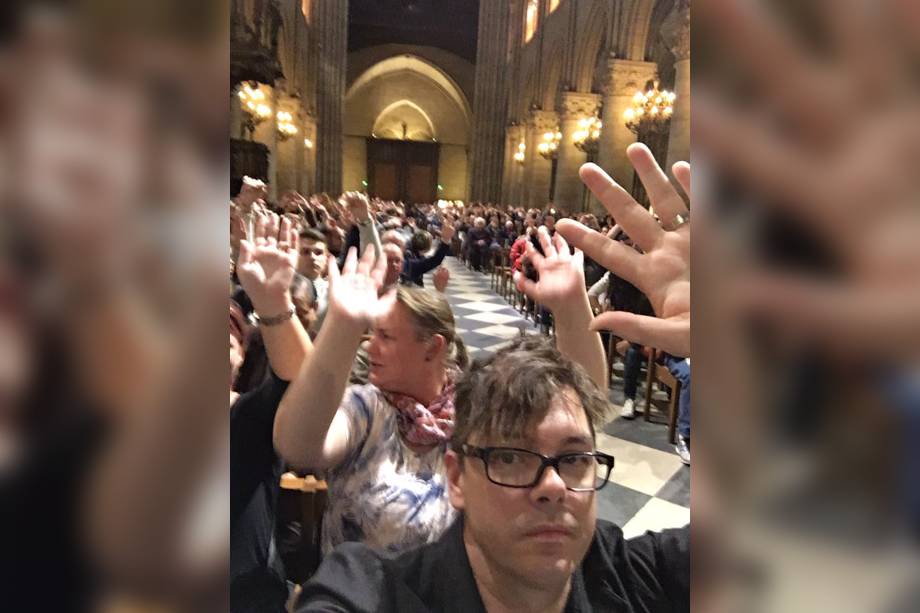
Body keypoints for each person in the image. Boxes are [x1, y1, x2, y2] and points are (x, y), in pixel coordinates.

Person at [296, 145, 690, 613]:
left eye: (574, 459)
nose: (553, 486)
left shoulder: (628, 577)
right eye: (510, 457)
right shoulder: (372, 593)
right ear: (456, 477)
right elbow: (301, 444)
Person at [274, 225, 607, 557]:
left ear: (433, 349)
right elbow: (299, 446)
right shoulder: (367, 408)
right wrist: (342, 326)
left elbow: (578, 405)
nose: (370, 348)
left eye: (385, 337)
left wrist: (571, 308)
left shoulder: (473, 404)